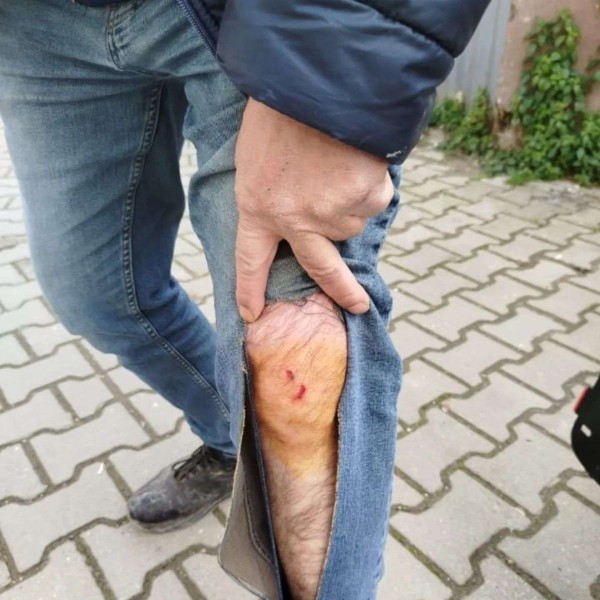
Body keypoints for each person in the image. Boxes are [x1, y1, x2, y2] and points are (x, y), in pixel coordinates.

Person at [0, 0, 490, 598]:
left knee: (296, 344)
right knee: (96, 297)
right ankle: (227, 439)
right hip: (34, 25)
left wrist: (326, 72)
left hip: (255, 19)